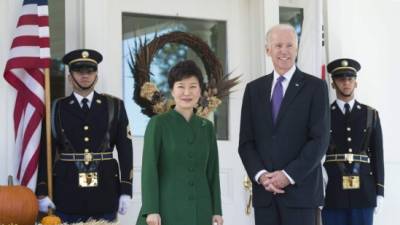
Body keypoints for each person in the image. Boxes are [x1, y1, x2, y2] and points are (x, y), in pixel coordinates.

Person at [238, 24, 330, 225]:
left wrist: (288, 175)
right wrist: (262, 176)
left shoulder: (315, 87)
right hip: (265, 197)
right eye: (278, 45)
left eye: (289, 45)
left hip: (301, 195)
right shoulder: (254, 90)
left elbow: (320, 139)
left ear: (297, 49)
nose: (284, 51)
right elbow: (246, 142)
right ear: (267, 50)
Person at [36, 49, 133, 223]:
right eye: (79, 71)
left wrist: (126, 189)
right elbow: (45, 151)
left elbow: (125, 149)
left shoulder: (115, 106)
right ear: (69, 76)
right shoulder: (55, 108)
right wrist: (42, 190)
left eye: (90, 71)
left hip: (105, 191)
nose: (85, 75)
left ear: (96, 75)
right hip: (66, 192)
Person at [136, 60, 223, 225]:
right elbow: (149, 170)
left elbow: (212, 172)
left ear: (200, 91)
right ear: (172, 91)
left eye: (193, 86)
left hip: (201, 210)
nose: (187, 92)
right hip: (166, 209)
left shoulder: (207, 127)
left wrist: (216, 210)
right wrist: (151, 209)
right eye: (181, 86)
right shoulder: (158, 124)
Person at [322, 58, 384, 225]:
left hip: (364, 192)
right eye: (341, 79)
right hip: (332, 192)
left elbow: (377, 156)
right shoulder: (323, 115)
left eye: (350, 78)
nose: (346, 83)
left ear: (356, 82)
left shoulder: (371, 114)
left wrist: (380, 192)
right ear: (333, 83)